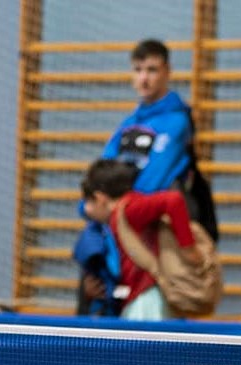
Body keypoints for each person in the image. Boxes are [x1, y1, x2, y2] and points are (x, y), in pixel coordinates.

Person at [78, 38, 196, 316]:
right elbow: (96, 181)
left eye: (152, 70)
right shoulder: (128, 124)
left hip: (149, 243)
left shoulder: (177, 122)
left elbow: (149, 186)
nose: (144, 78)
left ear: (167, 71)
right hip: (116, 236)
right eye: (138, 70)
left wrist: (110, 205)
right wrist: (94, 204)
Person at [80, 157, 204, 321]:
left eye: (88, 201)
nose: (86, 209)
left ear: (100, 198)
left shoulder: (130, 209)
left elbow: (174, 200)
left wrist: (188, 248)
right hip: (139, 299)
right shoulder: (114, 219)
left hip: (148, 301)